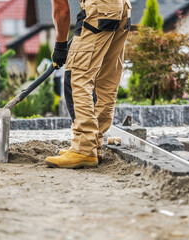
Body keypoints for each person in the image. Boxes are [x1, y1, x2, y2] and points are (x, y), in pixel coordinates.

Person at [46, 0, 132, 168]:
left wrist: (60, 45)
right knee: (105, 81)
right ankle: (94, 145)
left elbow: (61, 9)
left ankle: (83, 149)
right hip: (123, 9)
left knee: (77, 76)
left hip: (100, 10)